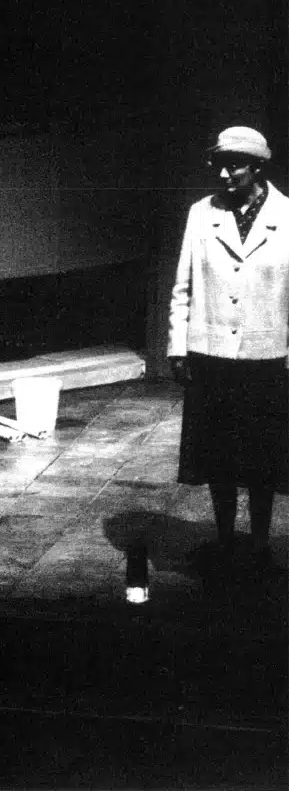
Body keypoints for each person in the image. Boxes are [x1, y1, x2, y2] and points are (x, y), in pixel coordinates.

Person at [168, 126, 289, 569]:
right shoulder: (202, 214)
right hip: (212, 352)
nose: (224, 173)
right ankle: (222, 538)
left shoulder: (287, 216)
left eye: (235, 165)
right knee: (218, 454)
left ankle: (259, 543)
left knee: (261, 457)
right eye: (219, 165)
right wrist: (178, 345)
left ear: (257, 166)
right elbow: (182, 288)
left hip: (266, 356)